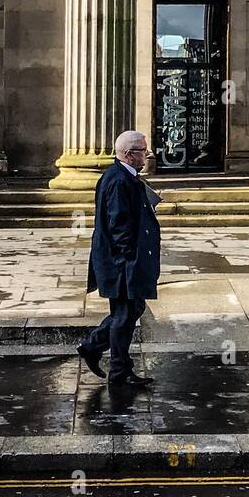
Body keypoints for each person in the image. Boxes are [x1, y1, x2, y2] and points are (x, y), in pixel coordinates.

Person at [76, 130, 161, 387]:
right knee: (126, 313)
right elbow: (118, 224)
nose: (146, 155)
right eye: (142, 151)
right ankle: (118, 369)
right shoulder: (118, 180)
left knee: (130, 310)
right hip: (121, 262)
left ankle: (95, 349)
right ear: (128, 154)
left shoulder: (124, 177)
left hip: (124, 260)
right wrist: (128, 261)